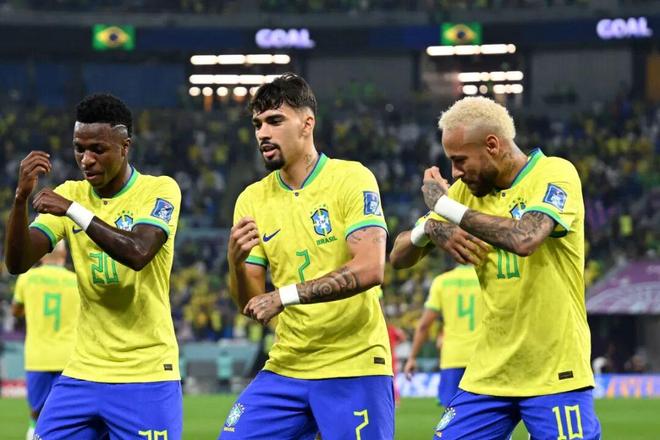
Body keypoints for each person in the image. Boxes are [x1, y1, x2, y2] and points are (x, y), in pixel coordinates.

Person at [390, 96, 601, 439]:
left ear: (492, 145)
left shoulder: (554, 173)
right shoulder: (465, 193)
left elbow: (525, 238)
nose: (455, 173)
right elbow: (397, 258)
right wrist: (429, 227)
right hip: (488, 374)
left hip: (555, 371)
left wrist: (444, 207)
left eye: (460, 160)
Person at [223, 73, 394, 439]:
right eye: (257, 124)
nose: (263, 133)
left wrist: (283, 296)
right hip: (287, 365)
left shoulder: (351, 179)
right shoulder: (251, 199)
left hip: (354, 363)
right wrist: (235, 263)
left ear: (307, 124)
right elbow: (252, 304)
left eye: (274, 121)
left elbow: (370, 268)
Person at [4, 93, 183, 439]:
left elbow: (139, 251)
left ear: (125, 146)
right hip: (82, 372)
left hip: (145, 372)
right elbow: (18, 262)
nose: (86, 160)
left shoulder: (159, 190)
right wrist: (20, 199)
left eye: (97, 149)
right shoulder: (71, 192)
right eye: (79, 148)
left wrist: (74, 211)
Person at [12, 241, 79, 440]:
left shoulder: (26, 278)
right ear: (64, 255)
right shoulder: (76, 280)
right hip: (69, 358)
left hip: (37, 357)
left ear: (41, 255)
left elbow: (16, 310)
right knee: (68, 415)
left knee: (36, 414)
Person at [403, 265, 483, 408]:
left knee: (451, 413)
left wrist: (412, 357)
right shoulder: (486, 275)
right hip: (482, 357)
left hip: (453, 357)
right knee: (484, 413)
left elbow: (424, 325)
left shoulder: (442, 281)